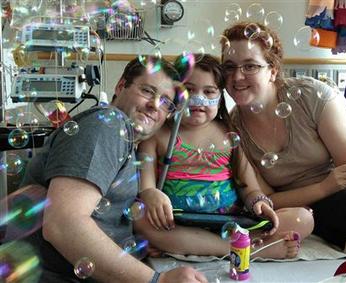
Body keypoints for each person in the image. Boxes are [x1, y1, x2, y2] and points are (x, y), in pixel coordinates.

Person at [220, 22, 346, 252]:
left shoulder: (310, 96)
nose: (237, 76)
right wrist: (324, 187)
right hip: (319, 207)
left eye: (250, 66)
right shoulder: (232, 132)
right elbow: (265, 201)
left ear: (273, 70)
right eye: (229, 67)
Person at [20, 56, 208, 283]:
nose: (155, 105)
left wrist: (134, 246)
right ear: (121, 86)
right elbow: (63, 224)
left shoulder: (125, 140)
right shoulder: (106, 125)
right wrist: (159, 280)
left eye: (166, 102)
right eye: (148, 91)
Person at [134, 54, 314, 259]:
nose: (198, 99)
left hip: (229, 221)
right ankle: (249, 250)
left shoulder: (229, 132)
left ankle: (219, 244)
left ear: (220, 97)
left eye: (209, 91)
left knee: (304, 218)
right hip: (177, 220)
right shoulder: (158, 134)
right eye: (189, 90)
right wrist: (150, 194)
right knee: (139, 218)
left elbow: (250, 187)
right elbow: (146, 187)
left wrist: (258, 202)